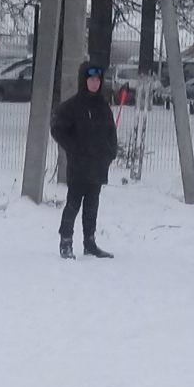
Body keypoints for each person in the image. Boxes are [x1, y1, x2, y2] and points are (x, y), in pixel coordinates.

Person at [51, 62, 118, 259]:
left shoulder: (103, 106)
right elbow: (57, 129)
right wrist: (74, 149)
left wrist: (110, 152)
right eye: (91, 80)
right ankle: (66, 241)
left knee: (92, 205)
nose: (95, 83)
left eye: (98, 80)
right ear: (84, 81)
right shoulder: (72, 106)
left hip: (98, 166)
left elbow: (110, 132)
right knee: (73, 203)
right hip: (79, 166)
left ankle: (90, 242)